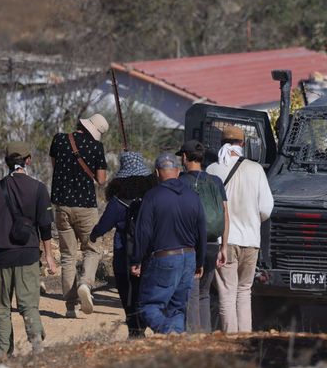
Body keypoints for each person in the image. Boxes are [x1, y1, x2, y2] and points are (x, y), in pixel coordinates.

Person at [0, 142, 57, 356]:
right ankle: (36, 346)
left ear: (6, 162)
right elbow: (45, 226)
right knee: (28, 304)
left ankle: (3, 353)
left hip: (2, 255)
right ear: (28, 160)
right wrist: (49, 255)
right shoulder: (39, 188)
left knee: (2, 307)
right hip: (29, 254)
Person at [206, 125, 273, 333]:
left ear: (221, 143)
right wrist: (252, 220)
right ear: (243, 144)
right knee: (244, 291)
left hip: (223, 242)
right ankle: (245, 339)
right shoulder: (256, 169)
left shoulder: (212, 170)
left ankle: (230, 340)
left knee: (227, 292)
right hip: (251, 241)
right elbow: (266, 209)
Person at [131, 153, 206, 336]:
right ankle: (175, 344)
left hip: (164, 258)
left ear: (157, 173)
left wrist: (137, 259)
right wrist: (200, 261)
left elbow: (143, 232)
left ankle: (168, 331)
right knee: (178, 308)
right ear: (178, 171)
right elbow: (202, 231)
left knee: (147, 306)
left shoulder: (152, 196)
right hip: (189, 257)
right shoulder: (193, 196)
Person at [49, 114, 109, 318]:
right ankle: (85, 283)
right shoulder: (96, 148)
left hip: (62, 205)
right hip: (85, 206)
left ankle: (69, 306)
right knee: (92, 249)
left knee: (67, 255)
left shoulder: (59, 139)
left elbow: (54, 165)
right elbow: (101, 180)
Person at [91, 152, 156, 337]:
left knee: (127, 293)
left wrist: (94, 235)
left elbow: (104, 225)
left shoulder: (118, 200)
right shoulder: (152, 196)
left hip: (123, 253)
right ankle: (143, 324)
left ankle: (134, 330)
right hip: (148, 252)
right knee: (144, 290)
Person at [179, 139, 228, 333]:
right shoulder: (215, 181)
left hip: (190, 246)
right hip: (212, 245)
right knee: (204, 293)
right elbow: (225, 213)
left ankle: (193, 339)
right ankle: (206, 336)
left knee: (191, 293)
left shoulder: (181, 181)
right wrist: (223, 246)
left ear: (184, 157)